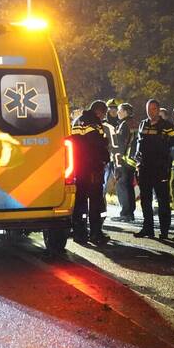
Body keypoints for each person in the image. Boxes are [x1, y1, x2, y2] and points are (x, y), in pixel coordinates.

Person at [134, 99, 174, 239]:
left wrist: (165, 141)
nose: (150, 111)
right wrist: (137, 156)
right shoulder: (143, 124)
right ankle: (147, 228)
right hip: (145, 168)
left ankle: (164, 231)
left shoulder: (166, 125)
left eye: (153, 109)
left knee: (163, 200)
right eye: (148, 109)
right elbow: (138, 142)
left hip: (160, 168)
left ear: (158, 110)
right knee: (145, 200)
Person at [70, 100, 111, 245]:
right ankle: (95, 233)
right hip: (92, 167)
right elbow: (98, 144)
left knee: (80, 200)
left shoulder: (77, 121)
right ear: (98, 112)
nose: (102, 117)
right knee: (95, 201)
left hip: (79, 166)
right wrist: (105, 153)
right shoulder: (93, 123)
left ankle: (79, 233)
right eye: (103, 114)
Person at [113, 103, 139, 222]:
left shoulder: (124, 125)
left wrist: (118, 160)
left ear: (125, 112)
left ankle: (125, 213)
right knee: (128, 186)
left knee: (122, 186)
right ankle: (130, 213)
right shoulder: (134, 123)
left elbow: (121, 144)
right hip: (132, 160)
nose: (117, 113)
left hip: (124, 159)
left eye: (119, 110)